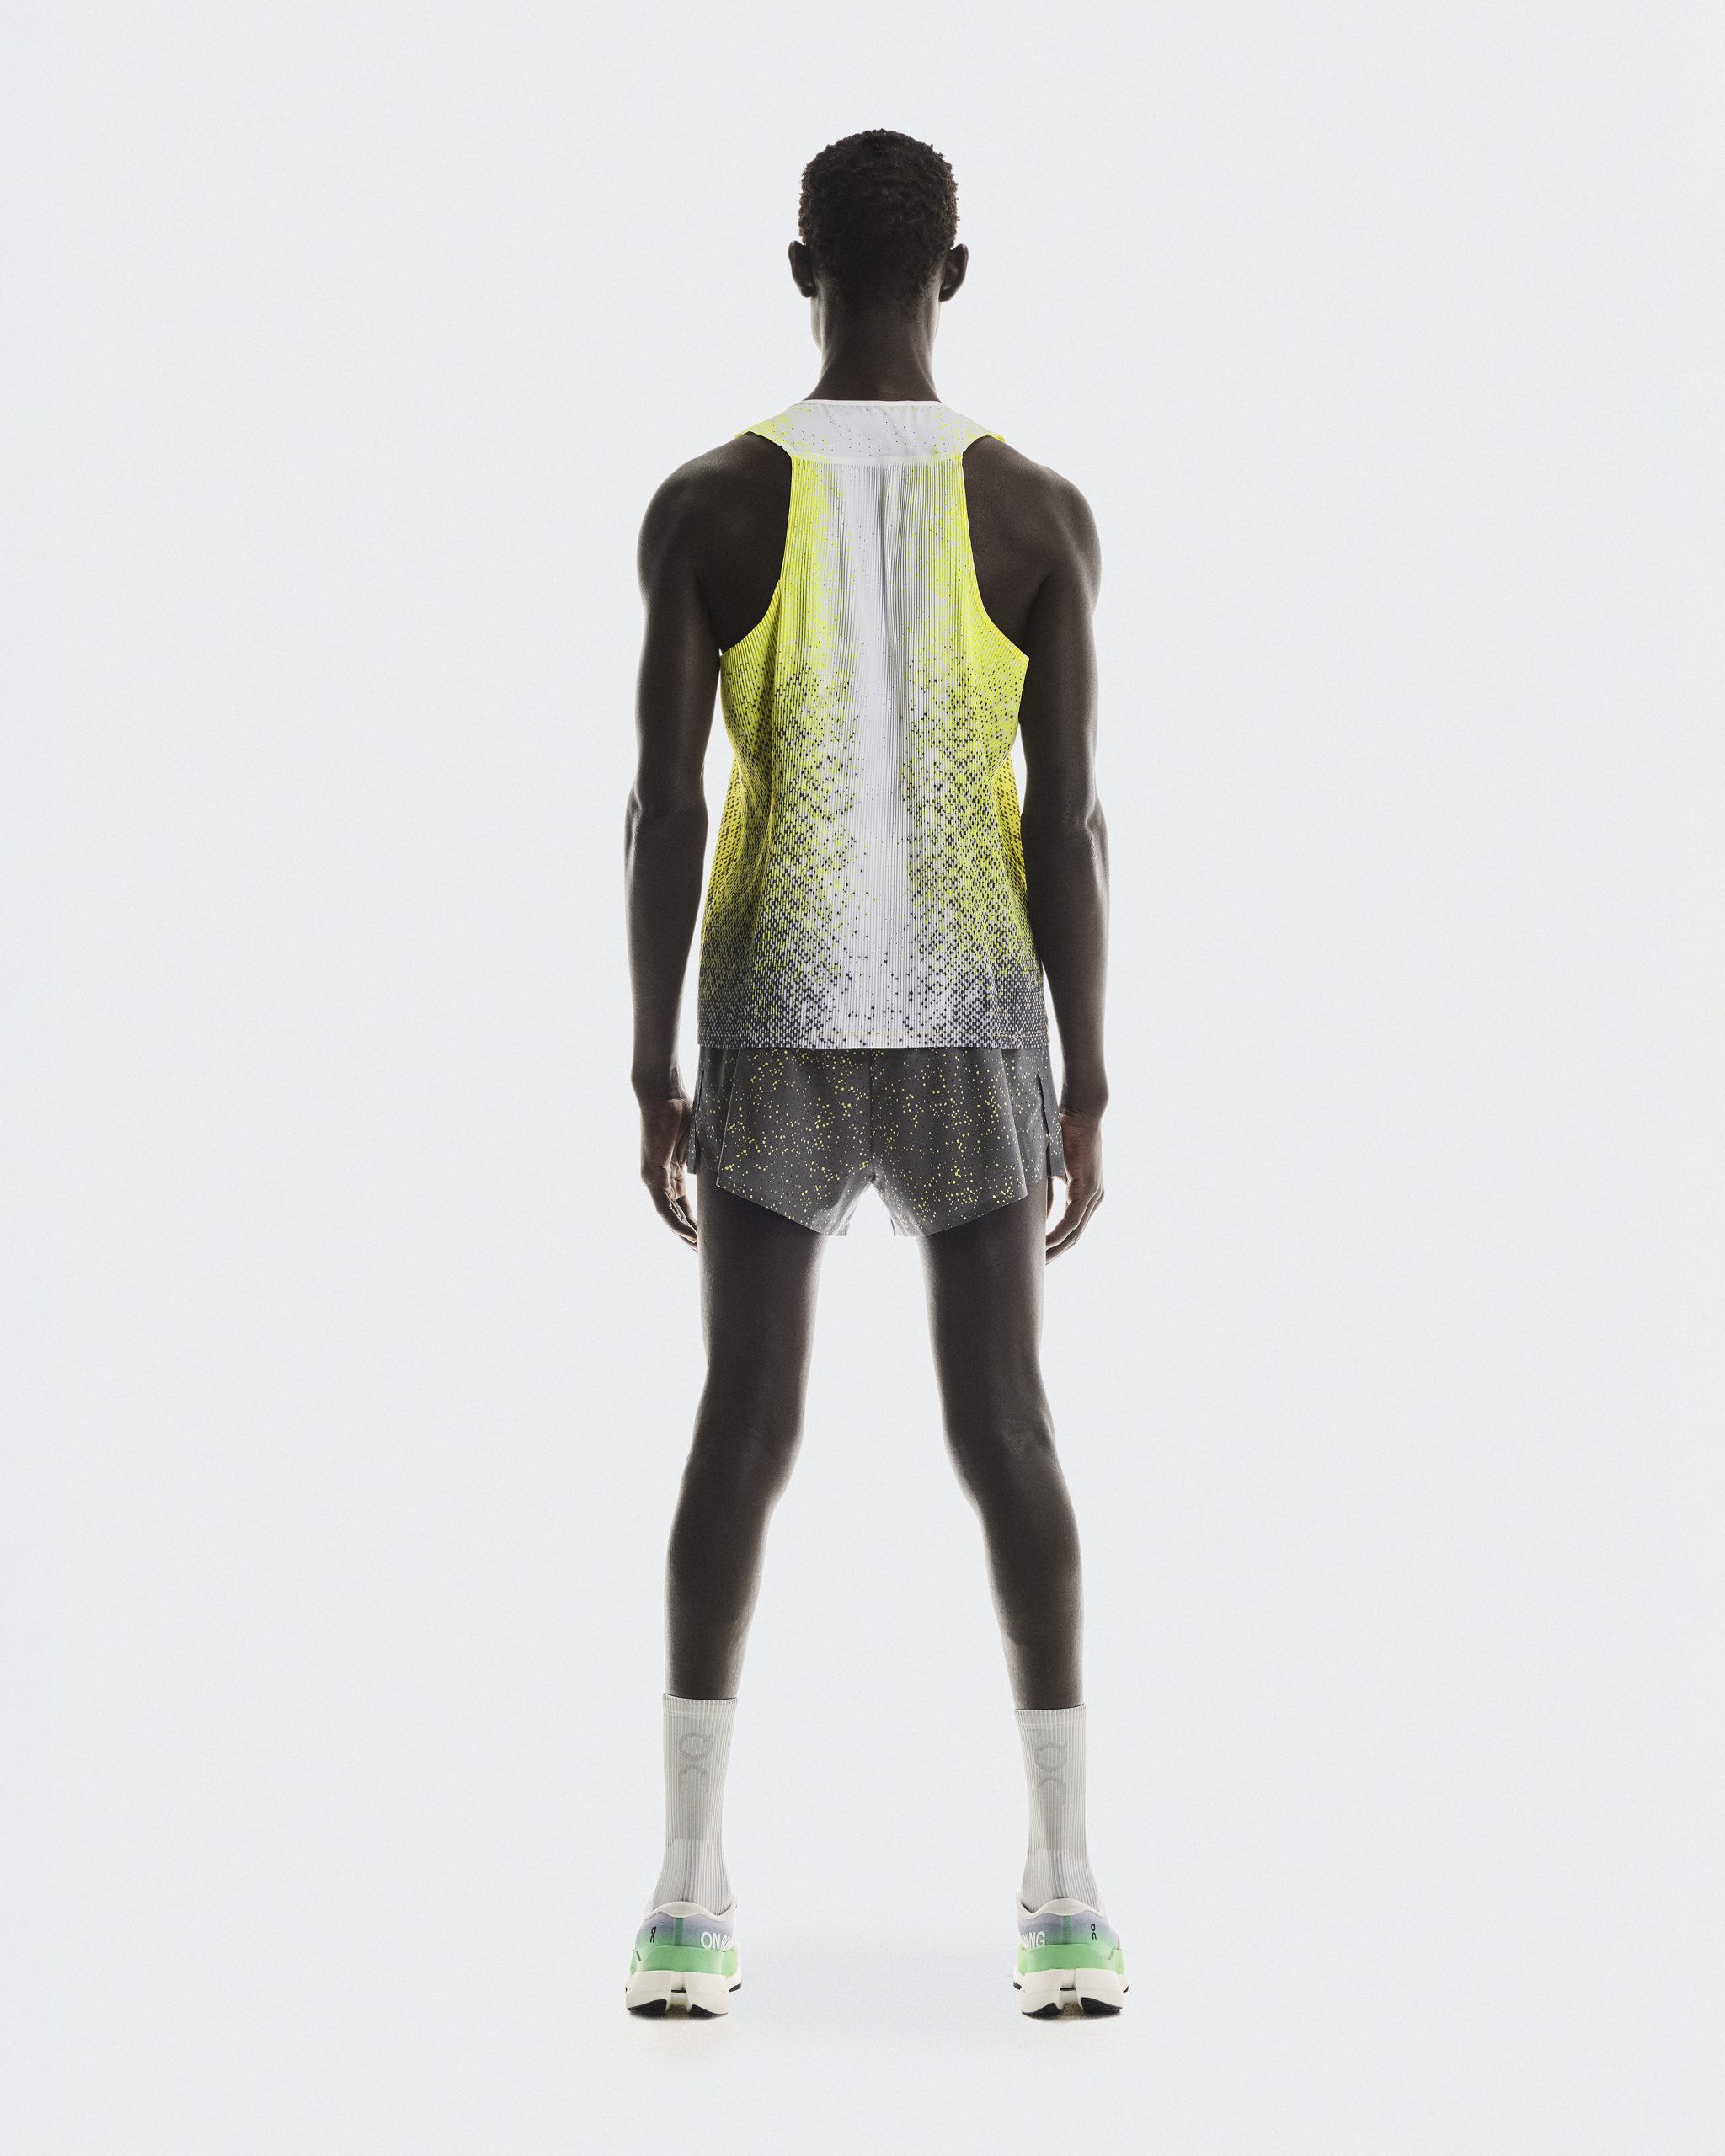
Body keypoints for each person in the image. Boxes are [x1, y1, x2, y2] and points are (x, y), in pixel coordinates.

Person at [622, 129, 1122, 2019]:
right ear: (955, 273)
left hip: (767, 1006)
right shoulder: (1040, 512)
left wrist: (646, 1053)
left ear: (799, 268)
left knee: (739, 1430)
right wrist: (1090, 1076)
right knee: (1010, 1434)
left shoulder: (706, 502)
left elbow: (666, 804)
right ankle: (1066, 1892)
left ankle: (685, 1894)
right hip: (983, 1017)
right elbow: (1065, 822)